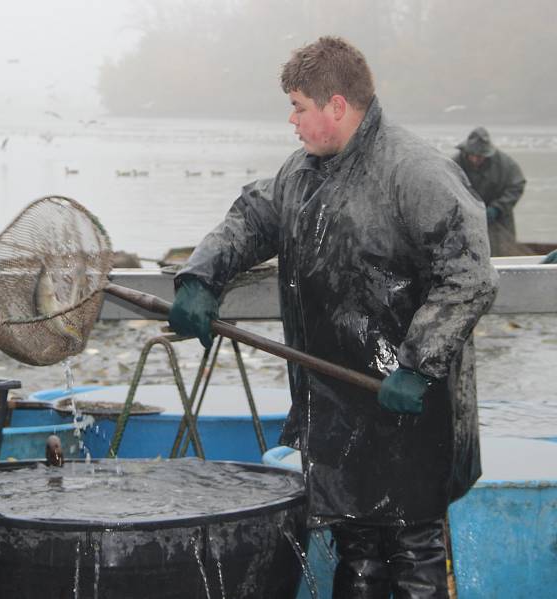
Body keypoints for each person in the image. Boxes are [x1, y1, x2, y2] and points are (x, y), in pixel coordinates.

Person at [169, 36, 498, 599]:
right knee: (357, 549)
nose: (292, 120)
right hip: (336, 402)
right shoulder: (300, 173)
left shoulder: (417, 173)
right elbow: (250, 221)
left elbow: (469, 275)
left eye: (299, 106)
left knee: (414, 548)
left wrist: (418, 365)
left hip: (410, 405)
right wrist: (201, 276)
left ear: (337, 106)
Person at [453, 126, 526, 256]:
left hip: (498, 219)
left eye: (480, 156)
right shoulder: (455, 163)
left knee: (500, 254)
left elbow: (517, 186)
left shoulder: (505, 164)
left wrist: (497, 208)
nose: (476, 159)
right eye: (473, 156)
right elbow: (447, 190)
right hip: (466, 218)